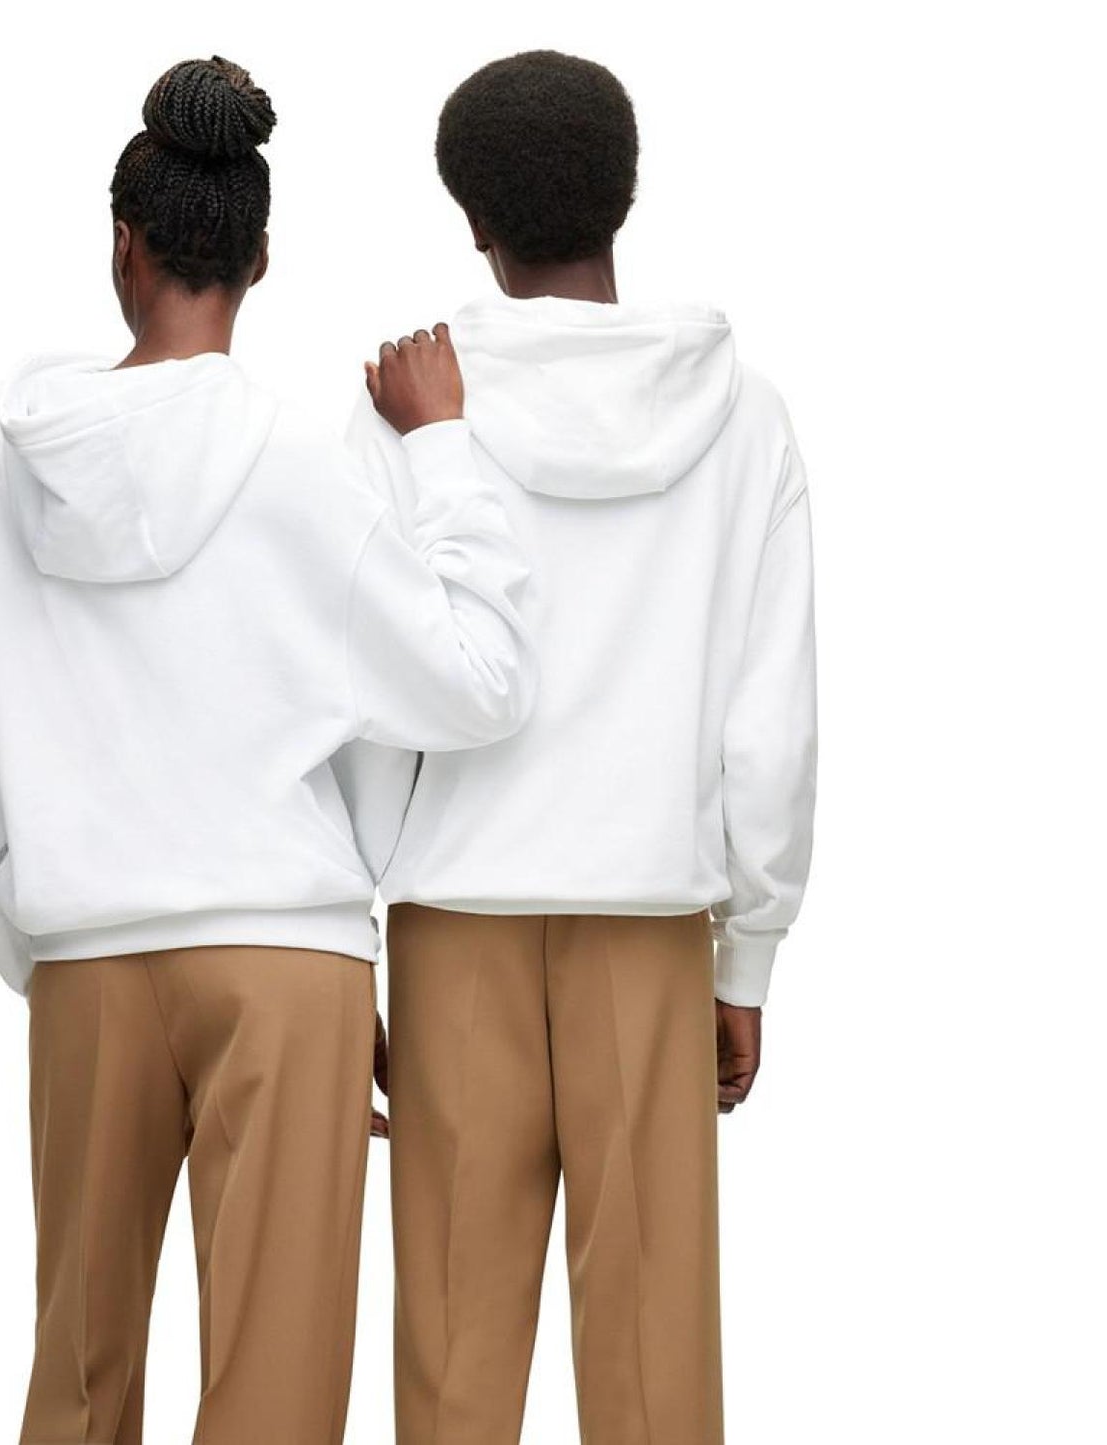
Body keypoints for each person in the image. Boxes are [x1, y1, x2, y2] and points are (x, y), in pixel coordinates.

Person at [0, 56, 535, 1445]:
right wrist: (443, 455)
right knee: (275, 1397)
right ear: (260, 259)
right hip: (284, 962)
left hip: (86, 954)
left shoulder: (28, 459)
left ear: (123, 243)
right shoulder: (300, 465)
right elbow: (478, 685)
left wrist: (38, 944)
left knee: (76, 1384)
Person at [336, 50, 818, 1445]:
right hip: (652, 930)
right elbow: (769, 720)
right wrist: (747, 955)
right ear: (626, 194)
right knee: (658, 1374)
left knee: (451, 1369)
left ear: (472, 220)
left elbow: (364, 695)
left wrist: (351, 939)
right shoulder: (745, 416)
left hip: (452, 922)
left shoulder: (408, 407)